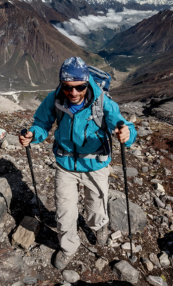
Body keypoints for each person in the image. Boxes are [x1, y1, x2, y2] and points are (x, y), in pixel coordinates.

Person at [19, 57, 136, 270]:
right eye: (67, 87)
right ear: (61, 85)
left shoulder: (102, 101)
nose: (73, 93)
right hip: (65, 165)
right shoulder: (55, 98)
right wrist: (32, 135)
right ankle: (68, 247)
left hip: (96, 165)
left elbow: (122, 123)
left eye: (79, 87)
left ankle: (99, 226)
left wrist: (127, 133)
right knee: (64, 212)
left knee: (96, 206)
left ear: (87, 82)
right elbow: (41, 123)